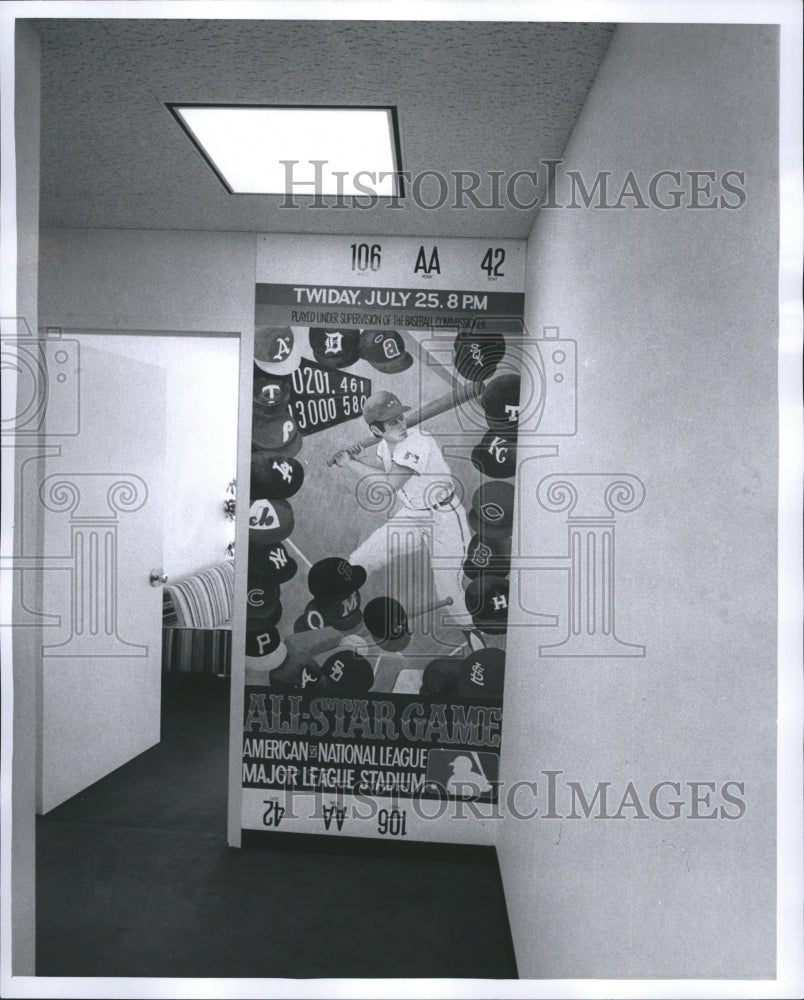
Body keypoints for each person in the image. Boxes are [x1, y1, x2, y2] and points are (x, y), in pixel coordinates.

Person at [332, 390, 484, 650]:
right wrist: (357, 458)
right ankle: (346, 602)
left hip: (444, 518)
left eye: (401, 418)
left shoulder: (419, 440)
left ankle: (472, 634)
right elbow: (386, 470)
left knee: (447, 588)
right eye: (392, 422)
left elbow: (390, 484)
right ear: (377, 430)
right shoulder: (383, 445)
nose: (402, 424)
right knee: (362, 557)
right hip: (414, 516)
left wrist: (349, 464)